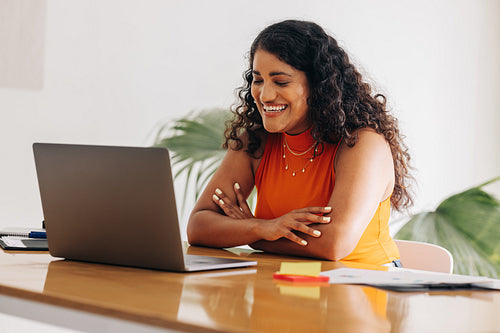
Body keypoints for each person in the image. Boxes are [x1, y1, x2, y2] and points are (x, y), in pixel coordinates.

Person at [187, 20, 412, 265]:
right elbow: (199, 226)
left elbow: (332, 244)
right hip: (286, 282)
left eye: (281, 81)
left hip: (364, 286)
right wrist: (264, 228)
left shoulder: (361, 145)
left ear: (318, 86)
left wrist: (252, 235)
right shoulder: (255, 144)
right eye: (258, 79)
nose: (265, 95)